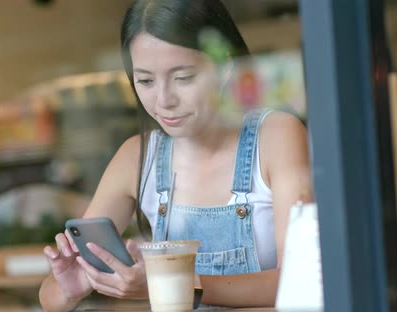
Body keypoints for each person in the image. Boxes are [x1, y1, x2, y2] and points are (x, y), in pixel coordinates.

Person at [39, 0, 312, 310]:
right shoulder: (136, 157)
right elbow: (51, 299)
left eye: (183, 78)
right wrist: (72, 287)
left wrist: (171, 282)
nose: (164, 100)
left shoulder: (276, 136)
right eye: (145, 81)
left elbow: (298, 280)